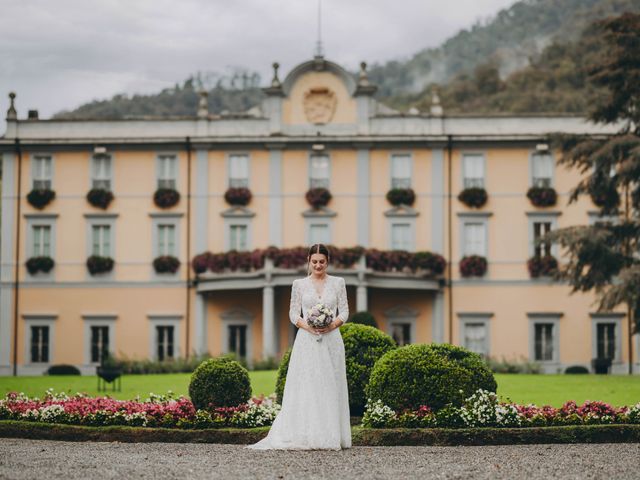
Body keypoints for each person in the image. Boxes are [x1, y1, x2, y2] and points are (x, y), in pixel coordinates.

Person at [248, 243, 351, 450]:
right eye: (315, 262)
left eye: (322, 262)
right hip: (307, 341)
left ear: (328, 262)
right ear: (309, 261)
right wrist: (309, 326)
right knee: (308, 384)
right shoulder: (299, 284)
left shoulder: (338, 283)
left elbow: (345, 312)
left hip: (332, 340)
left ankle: (331, 435)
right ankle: (306, 433)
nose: (318, 265)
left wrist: (330, 325)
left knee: (331, 384)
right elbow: (293, 314)